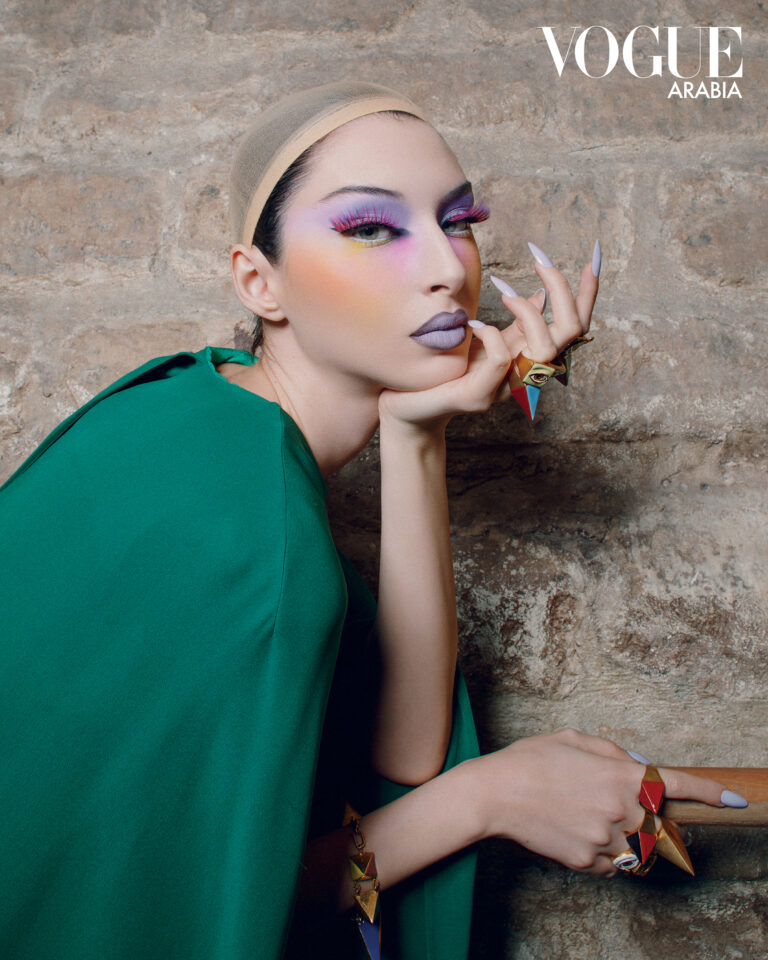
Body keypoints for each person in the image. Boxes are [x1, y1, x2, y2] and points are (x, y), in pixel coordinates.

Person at [0, 81, 745, 960]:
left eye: (458, 220)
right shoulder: (251, 534)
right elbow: (205, 905)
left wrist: (416, 429)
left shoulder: (196, 404)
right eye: (371, 228)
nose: (448, 269)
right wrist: (491, 798)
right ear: (259, 282)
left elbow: (404, 752)